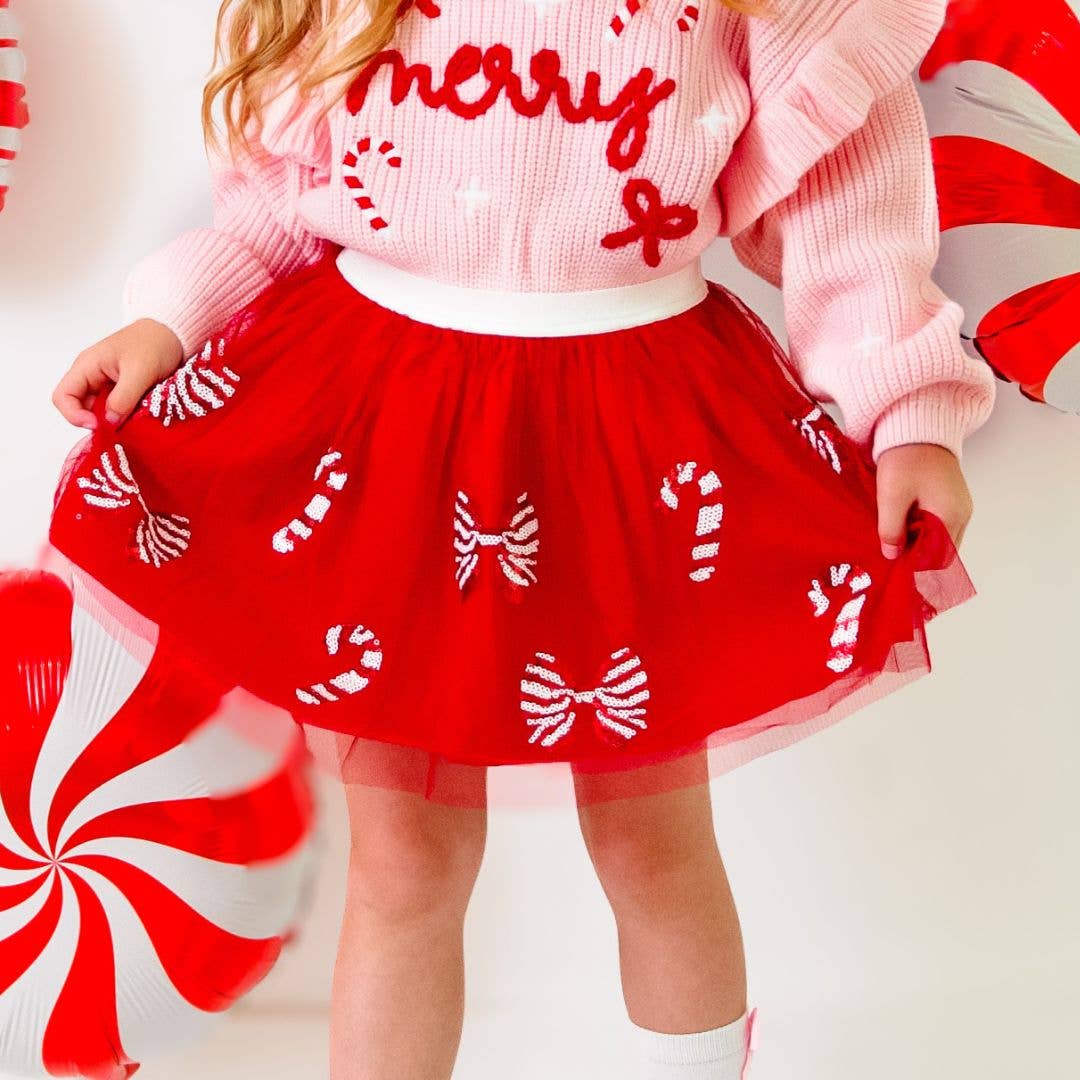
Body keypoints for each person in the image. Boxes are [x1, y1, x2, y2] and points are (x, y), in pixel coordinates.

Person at [46, 1, 996, 1076]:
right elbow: (283, 205)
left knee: (650, 842)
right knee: (405, 861)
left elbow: (849, 214)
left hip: (633, 442)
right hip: (390, 434)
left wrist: (911, 415)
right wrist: (169, 319)